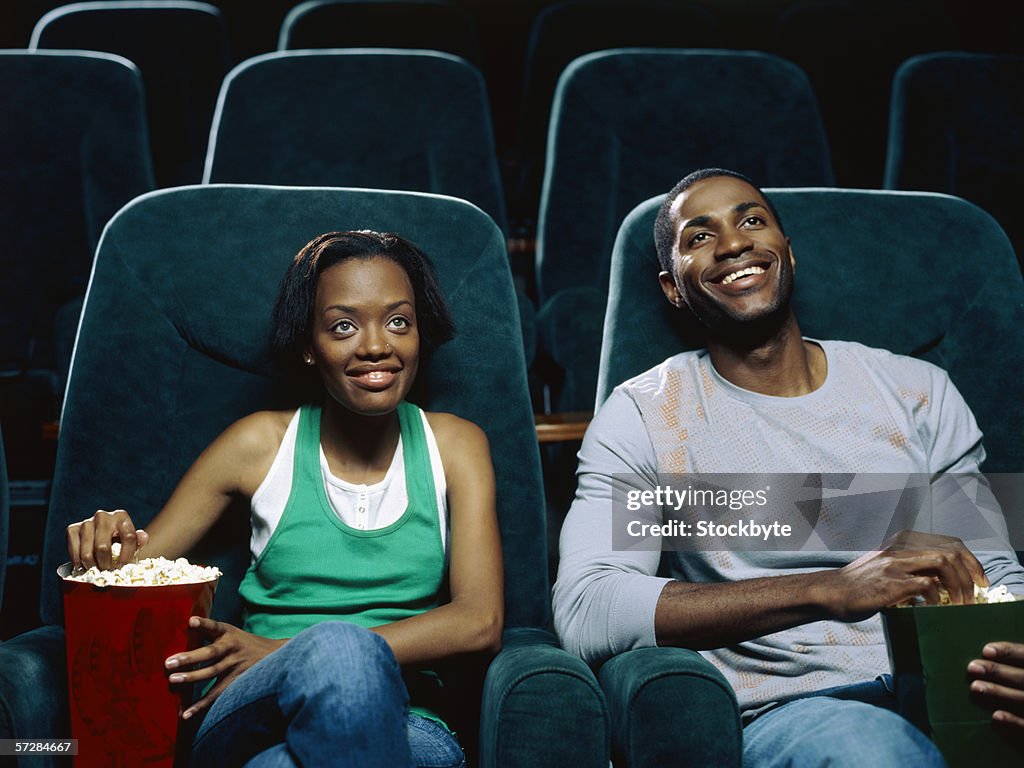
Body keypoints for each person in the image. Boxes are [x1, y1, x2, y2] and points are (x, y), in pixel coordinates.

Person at [552, 168, 1024, 765]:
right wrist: (829, 589)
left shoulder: (917, 391)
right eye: (700, 237)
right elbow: (588, 608)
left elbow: (995, 569)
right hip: (803, 710)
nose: (733, 243)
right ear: (673, 288)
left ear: (787, 254)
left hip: (953, 690)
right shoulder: (644, 416)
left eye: (752, 220)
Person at [66, 231, 503, 768]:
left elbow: (479, 621)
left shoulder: (457, 446)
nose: (375, 346)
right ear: (307, 345)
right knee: (336, 661)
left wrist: (291, 649)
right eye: (343, 325)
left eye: (398, 322)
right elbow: (131, 573)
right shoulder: (257, 445)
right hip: (255, 703)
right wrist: (103, 545)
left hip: (409, 720)